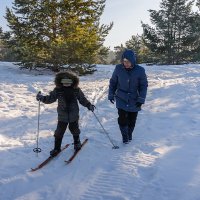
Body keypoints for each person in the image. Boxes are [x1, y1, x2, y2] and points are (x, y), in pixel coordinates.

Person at [36, 71, 95, 156]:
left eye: (69, 83)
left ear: (73, 82)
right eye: (64, 83)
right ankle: (56, 148)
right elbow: (50, 98)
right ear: (60, 82)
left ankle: (77, 143)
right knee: (59, 132)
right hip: (62, 116)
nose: (66, 84)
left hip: (73, 115)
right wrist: (42, 98)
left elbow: (82, 99)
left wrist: (88, 105)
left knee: (74, 129)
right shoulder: (57, 90)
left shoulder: (76, 90)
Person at [108, 49, 148, 144]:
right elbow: (113, 82)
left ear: (132, 61)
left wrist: (141, 99)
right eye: (124, 61)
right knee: (122, 119)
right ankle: (124, 136)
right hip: (121, 98)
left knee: (132, 120)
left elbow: (143, 86)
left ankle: (129, 134)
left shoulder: (140, 70)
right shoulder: (118, 68)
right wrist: (111, 94)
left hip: (135, 99)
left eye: (128, 61)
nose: (126, 63)